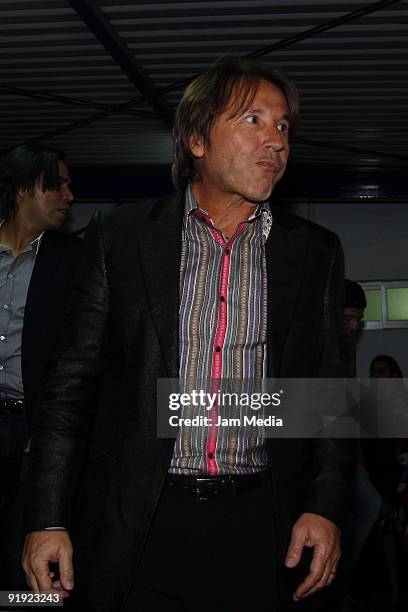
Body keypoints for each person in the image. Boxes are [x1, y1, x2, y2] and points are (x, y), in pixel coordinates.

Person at [22, 60, 354, 611]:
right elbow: (69, 389)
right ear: (197, 139)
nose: (275, 139)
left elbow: (330, 394)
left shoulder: (315, 251)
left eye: (283, 127)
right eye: (253, 119)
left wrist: (326, 505)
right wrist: (48, 516)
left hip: (263, 521)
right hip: (138, 513)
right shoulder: (121, 238)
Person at [0, 144, 81, 588]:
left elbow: (81, 358)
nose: (69, 195)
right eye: (58, 183)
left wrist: (51, 427)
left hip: (35, 433)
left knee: (30, 555)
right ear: (23, 190)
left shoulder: (75, 260)